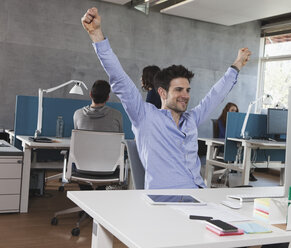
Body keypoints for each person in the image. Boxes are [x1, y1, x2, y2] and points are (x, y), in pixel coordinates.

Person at [81, 7, 251, 189]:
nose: (185, 95)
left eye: (187, 90)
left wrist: (237, 65)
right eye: (178, 90)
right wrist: (96, 34)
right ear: (162, 92)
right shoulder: (145, 117)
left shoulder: (192, 119)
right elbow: (119, 78)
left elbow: (215, 95)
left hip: (199, 197)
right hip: (166, 202)